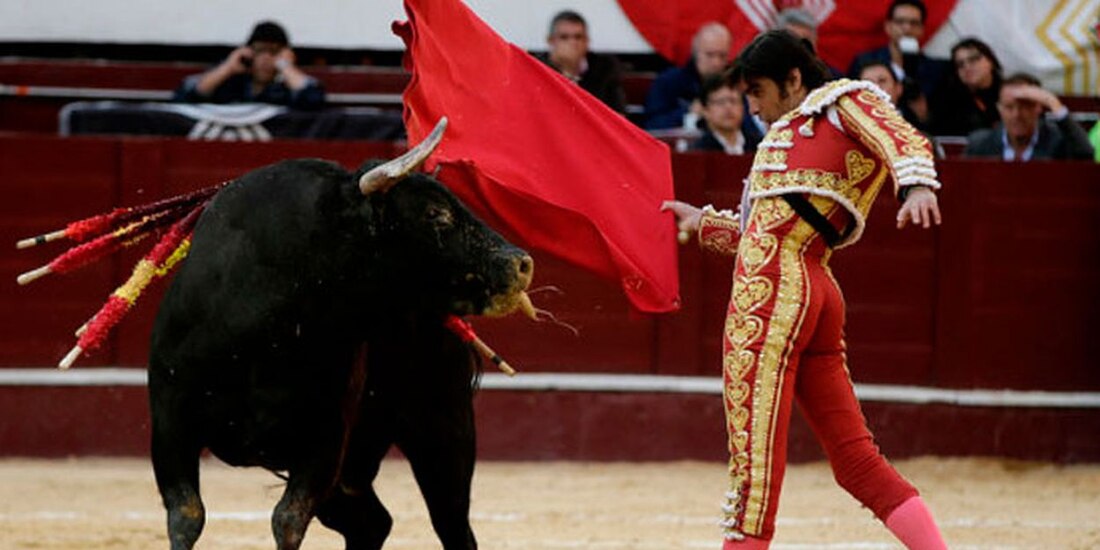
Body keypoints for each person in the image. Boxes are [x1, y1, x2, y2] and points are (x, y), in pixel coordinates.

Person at [662, 30, 947, 549]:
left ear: (794, 78)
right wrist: (702, 222)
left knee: (753, 466)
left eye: (758, 91)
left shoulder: (844, 102)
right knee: (856, 460)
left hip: (773, 294)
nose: (752, 106)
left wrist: (918, 183)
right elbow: (766, 232)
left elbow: (900, 138)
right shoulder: (790, 130)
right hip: (812, 286)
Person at [174, 21, 325, 110]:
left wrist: (286, 67)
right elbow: (185, 96)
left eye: (273, 52)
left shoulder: (287, 87)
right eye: (260, 51)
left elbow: (314, 100)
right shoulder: (231, 82)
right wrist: (227, 67)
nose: (266, 59)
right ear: (248, 53)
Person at [964, 73, 1094, 161]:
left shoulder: (1057, 141)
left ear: (1038, 107)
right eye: (1009, 107)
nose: (1017, 115)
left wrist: (1053, 103)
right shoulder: (980, 144)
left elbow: (1085, 155)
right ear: (999, 109)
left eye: (1025, 107)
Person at [846, 1, 946, 107]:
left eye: (914, 23)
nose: (907, 29)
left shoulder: (936, 71)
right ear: (888, 26)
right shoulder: (864, 62)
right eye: (900, 22)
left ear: (922, 29)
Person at [536, 10, 626, 114]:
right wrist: (566, 71)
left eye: (578, 37)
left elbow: (618, 114)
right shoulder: (538, 67)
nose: (572, 43)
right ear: (550, 40)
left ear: (587, 41)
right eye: (564, 37)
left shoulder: (604, 68)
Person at [929, 38, 1003, 136]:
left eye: (973, 60)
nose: (967, 67)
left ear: (991, 61)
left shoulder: (1011, 93)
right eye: (960, 64)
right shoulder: (949, 103)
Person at [691, 74, 756, 154]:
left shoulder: (758, 147)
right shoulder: (697, 151)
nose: (728, 107)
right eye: (720, 102)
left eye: (733, 101)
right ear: (705, 110)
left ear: (742, 107)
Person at [859, 60, 929, 131]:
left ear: (898, 88)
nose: (875, 87)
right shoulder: (853, 128)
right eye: (867, 83)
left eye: (882, 80)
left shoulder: (914, 127)